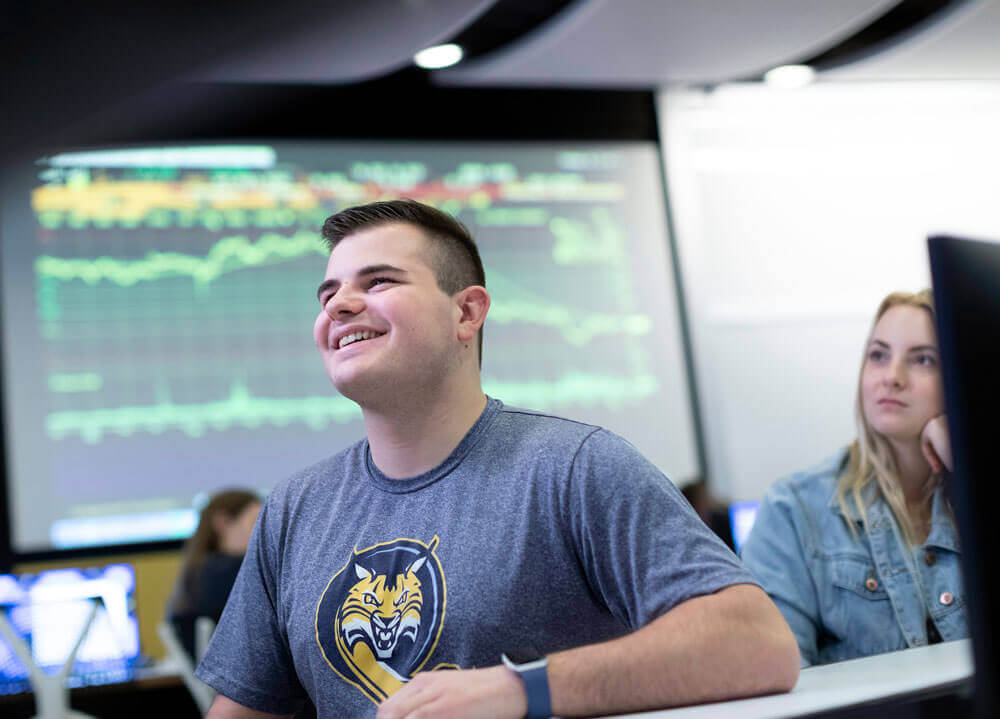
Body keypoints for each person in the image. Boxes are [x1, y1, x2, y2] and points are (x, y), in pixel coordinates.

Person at [195, 199, 799, 718]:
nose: (339, 306)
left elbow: (757, 643)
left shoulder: (574, 468)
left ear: (467, 313)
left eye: (377, 282)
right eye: (329, 293)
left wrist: (520, 689)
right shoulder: (295, 510)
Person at [741, 290, 968, 667]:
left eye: (923, 360)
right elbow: (777, 677)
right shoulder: (794, 508)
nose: (892, 378)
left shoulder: (974, 494)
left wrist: (964, 461)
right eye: (878, 355)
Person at [168, 489, 262, 661]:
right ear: (223, 523)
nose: (263, 533)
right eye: (255, 524)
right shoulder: (229, 571)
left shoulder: (199, 571)